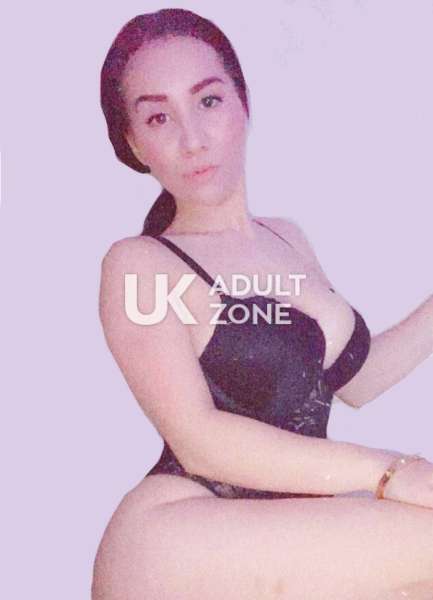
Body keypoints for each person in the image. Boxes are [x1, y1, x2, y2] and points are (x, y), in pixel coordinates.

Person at [92, 8, 433, 600]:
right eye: (158, 117)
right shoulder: (139, 264)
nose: (192, 138)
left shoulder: (288, 239)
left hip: (284, 530)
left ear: (243, 105)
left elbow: (356, 380)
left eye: (208, 101)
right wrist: (390, 472)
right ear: (134, 143)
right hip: (179, 535)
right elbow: (199, 438)